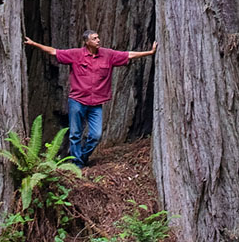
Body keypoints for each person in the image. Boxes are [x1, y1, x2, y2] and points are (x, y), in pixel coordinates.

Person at [24, 30, 157, 168]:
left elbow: (128, 55)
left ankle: (82, 157)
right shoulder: (76, 54)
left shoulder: (107, 55)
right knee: (75, 134)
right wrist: (34, 43)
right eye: (94, 39)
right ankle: (77, 165)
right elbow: (54, 52)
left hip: (96, 103)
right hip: (77, 101)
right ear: (86, 42)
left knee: (96, 135)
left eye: (98, 38)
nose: (98, 40)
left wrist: (149, 52)